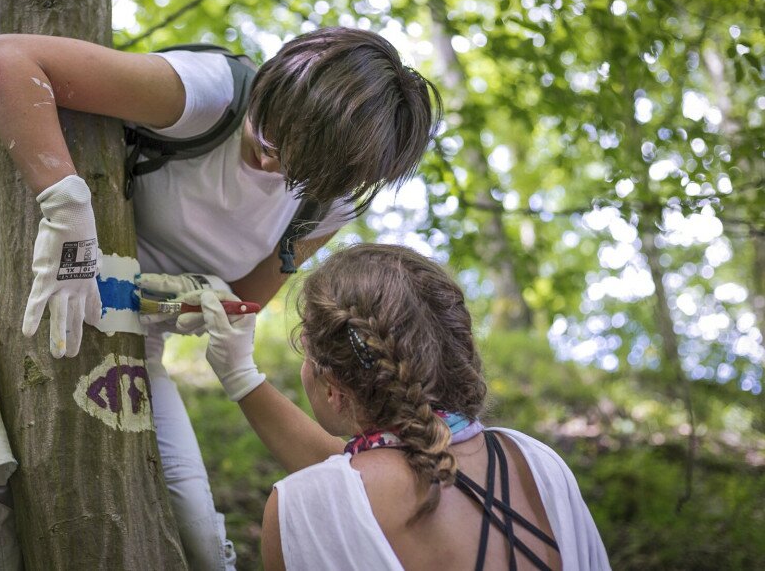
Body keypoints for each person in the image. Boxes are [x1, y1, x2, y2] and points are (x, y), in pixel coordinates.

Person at [0, 27, 443, 569]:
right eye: (270, 136)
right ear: (276, 84)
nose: (268, 163)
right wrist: (65, 205)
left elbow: (235, 304)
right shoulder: (209, 93)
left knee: (198, 540)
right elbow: (3, 58)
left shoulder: (324, 204)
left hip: (134, 336)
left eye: (294, 166)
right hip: (3, 282)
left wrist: (182, 301)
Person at [185, 242, 611, 570]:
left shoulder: (301, 507)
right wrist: (240, 377)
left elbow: (345, 490)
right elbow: (363, 472)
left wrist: (238, 370)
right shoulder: (536, 464)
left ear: (333, 387)